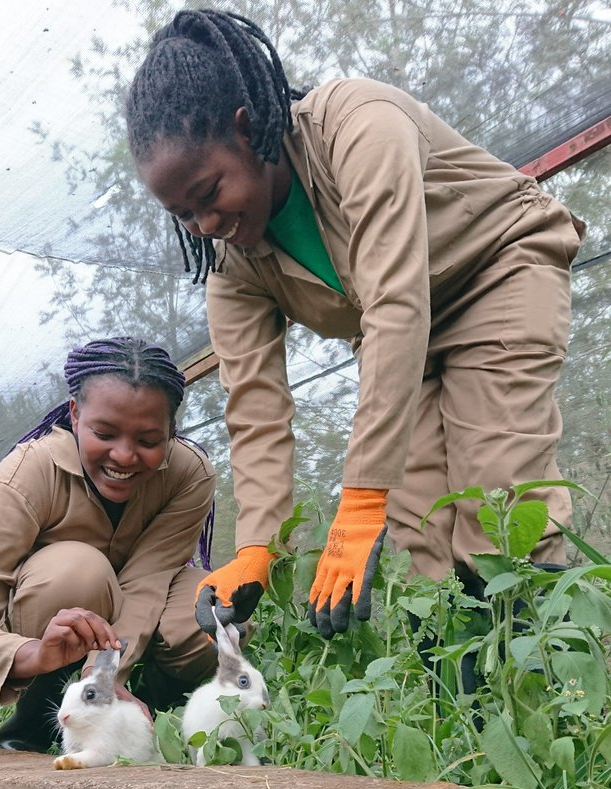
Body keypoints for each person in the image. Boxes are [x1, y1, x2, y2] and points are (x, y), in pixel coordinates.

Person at [125, 8, 586, 642]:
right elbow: (255, 409)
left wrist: (361, 498)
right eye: (184, 214)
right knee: (422, 526)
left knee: (497, 494)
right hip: (400, 343)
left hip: (494, 271)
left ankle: (549, 688)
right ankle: (467, 708)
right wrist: (257, 545)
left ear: (247, 128)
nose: (204, 224)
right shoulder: (234, 267)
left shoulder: (356, 124)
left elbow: (396, 301)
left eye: (208, 194)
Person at [0, 336, 217, 752]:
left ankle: (151, 719)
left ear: (171, 432)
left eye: (148, 441)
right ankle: (31, 724)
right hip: (49, 620)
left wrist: (107, 677)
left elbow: (149, 578)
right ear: (74, 414)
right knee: (78, 572)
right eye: (104, 433)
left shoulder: (188, 474)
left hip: (138, 617)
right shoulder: (25, 477)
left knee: (212, 608)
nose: (123, 456)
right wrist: (35, 653)